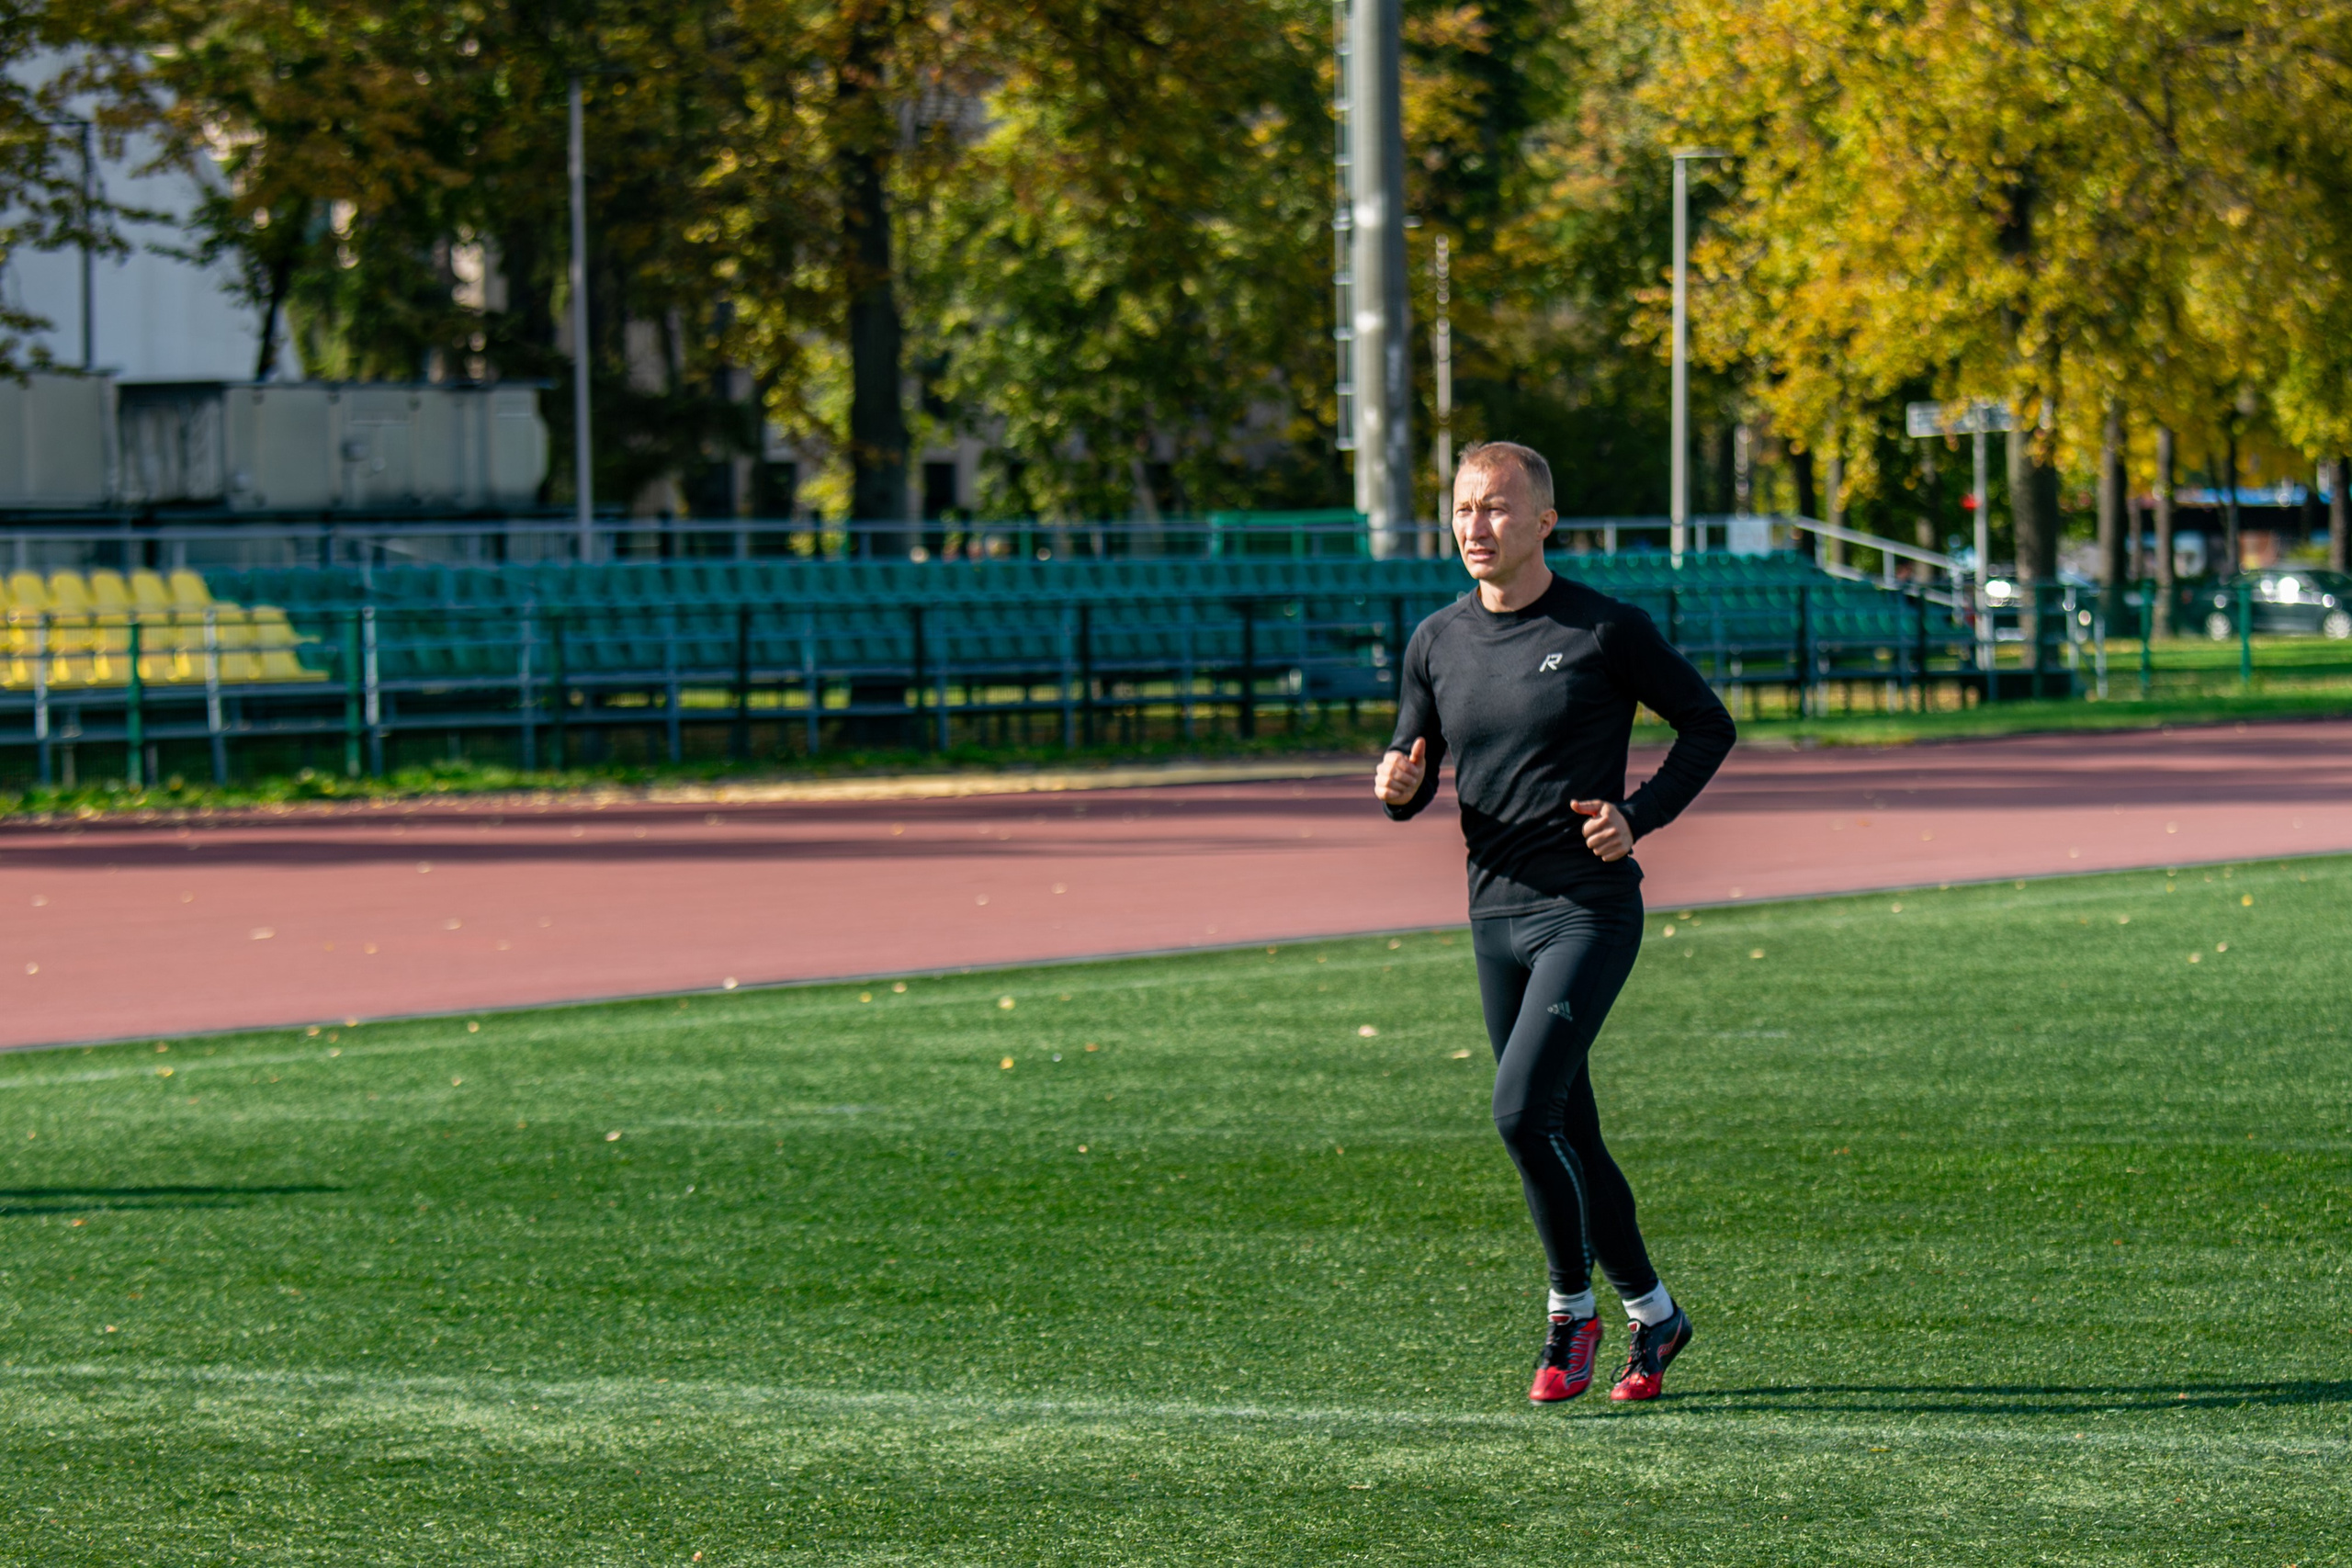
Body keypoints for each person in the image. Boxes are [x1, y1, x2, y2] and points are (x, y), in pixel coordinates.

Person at [1374, 441, 1735, 1404]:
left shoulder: (1604, 629)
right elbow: (1409, 763)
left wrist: (1638, 815)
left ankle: (1568, 1311)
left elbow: (1709, 724)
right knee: (1567, 1126)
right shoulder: (1435, 641)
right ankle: (1656, 1317)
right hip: (1492, 915)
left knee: (1519, 1111)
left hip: (1585, 910)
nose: (1474, 528)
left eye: (1495, 509)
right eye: (1461, 510)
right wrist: (1398, 788)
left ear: (1543, 522)